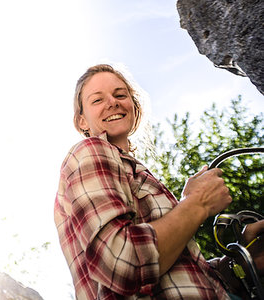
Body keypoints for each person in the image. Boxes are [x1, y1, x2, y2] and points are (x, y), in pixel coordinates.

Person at [54, 64, 263, 299]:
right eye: (97, 100)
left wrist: (241, 261)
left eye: (120, 94)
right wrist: (197, 203)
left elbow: (180, 277)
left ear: (134, 106)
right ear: (82, 121)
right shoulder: (91, 150)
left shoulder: (133, 172)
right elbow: (122, 264)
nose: (112, 102)